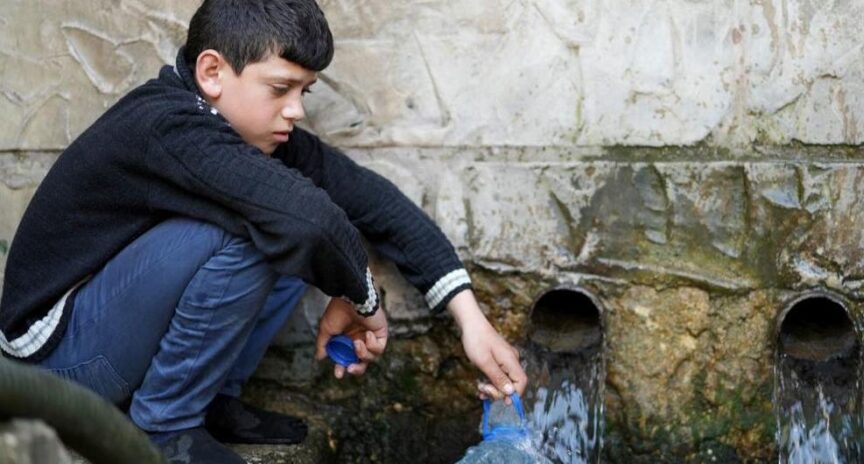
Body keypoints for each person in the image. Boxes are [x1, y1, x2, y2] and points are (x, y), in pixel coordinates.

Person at [0, 0, 527, 462]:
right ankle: (165, 430)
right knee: (272, 222)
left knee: (292, 210)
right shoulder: (166, 125)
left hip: (108, 347)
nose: (296, 109)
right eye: (280, 88)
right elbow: (310, 222)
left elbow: (373, 202)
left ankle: (211, 403)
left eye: (305, 90)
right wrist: (364, 300)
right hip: (58, 363)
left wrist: (470, 319)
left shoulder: (260, 134)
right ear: (212, 73)